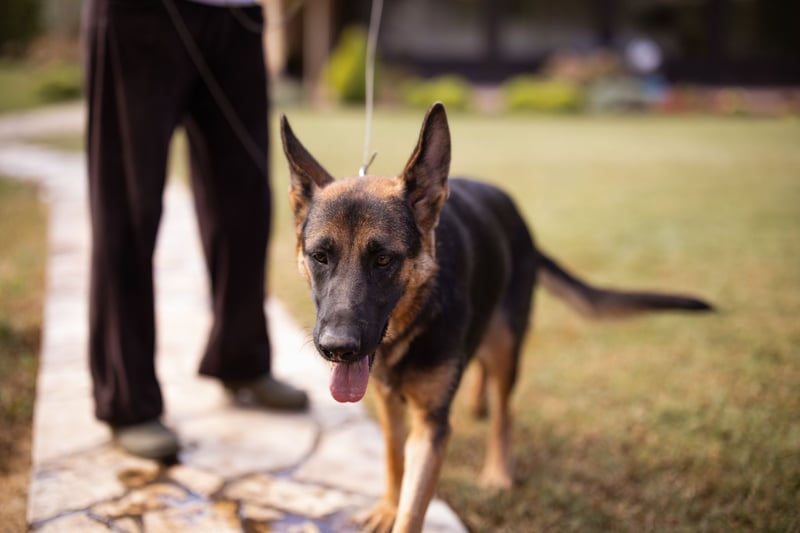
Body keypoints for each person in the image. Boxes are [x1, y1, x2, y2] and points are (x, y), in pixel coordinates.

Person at [82, 0, 308, 461]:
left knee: (246, 203)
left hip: (236, 15)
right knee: (127, 207)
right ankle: (128, 400)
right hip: (139, 17)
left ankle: (240, 356)